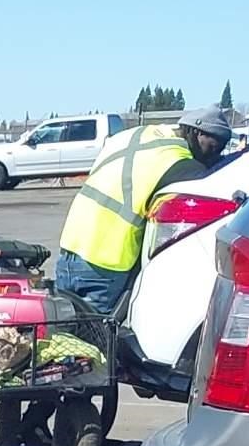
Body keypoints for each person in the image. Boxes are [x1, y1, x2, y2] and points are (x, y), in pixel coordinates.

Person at [53, 106, 234, 315]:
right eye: (214, 145)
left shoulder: (134, 134)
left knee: (64, 329)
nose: (215, 153)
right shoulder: (180, 164)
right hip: (104, 262)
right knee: (94, 339)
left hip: (69, 248)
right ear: (196, 132)